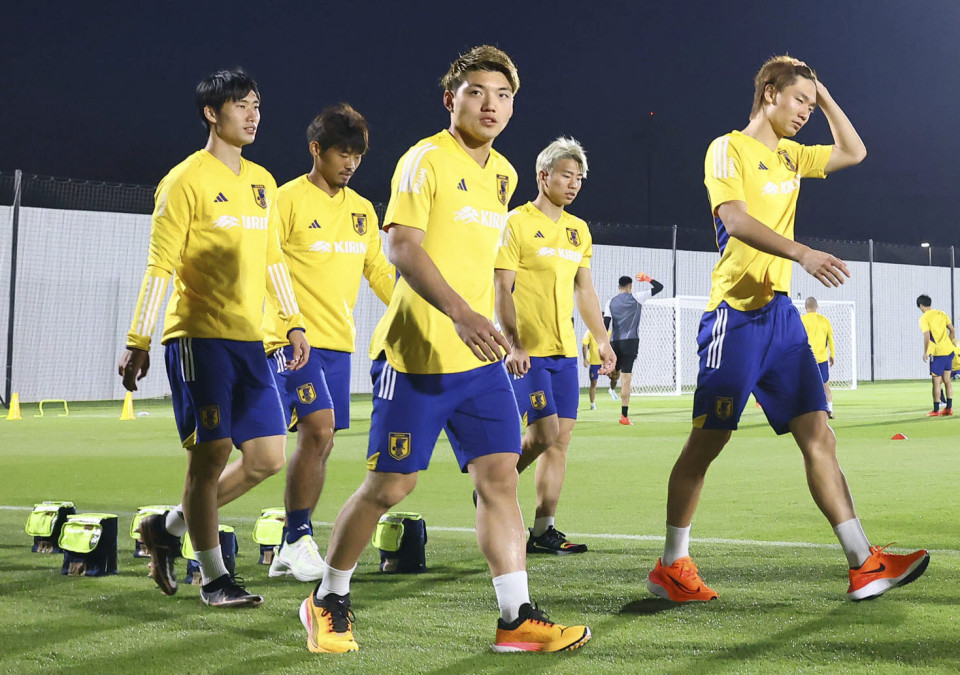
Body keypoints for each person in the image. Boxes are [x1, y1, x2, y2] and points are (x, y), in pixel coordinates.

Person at [298, 45, 591, 654]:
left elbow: (485, 264)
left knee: (500, 479)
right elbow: (402, 246)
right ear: (450, 99)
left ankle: (515, 618)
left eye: (503, 95)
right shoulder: (424, 161)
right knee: (390, 487)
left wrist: (501, 337)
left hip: (479, 362)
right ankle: (327, 597)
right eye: (477, 92)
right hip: (416, 358)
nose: (491, 105)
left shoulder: (505, 173)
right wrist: (460, 312)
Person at [646, 56, 929, 604]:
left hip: (781, 318)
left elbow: (854, 151)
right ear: (769, 92)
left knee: (819, 435)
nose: (805, 112)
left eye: (809, 104)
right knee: (708, 442)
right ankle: (671, 564)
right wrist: (801, 252)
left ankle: (863, 562)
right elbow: (735, 219)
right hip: (735, 314)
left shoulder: (790, 156)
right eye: (798, 100)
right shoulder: (728, 147)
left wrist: (824, 96)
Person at [118, 68, 310, 607]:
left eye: (257, 106)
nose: (253, 115)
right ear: (212, 112)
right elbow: (160, 265)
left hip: (252, 341)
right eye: (241, 105)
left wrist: (293, 321)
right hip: (199, 337)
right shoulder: (184, 181)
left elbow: (273, 260)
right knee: (210, 455)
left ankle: (168, 527)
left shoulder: (263, 182)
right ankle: (214, 576)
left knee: (268, 457)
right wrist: (139, 338)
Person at [264, 104, 395, 582]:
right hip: (289, 337)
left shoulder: (362, 211)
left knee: (321, 440)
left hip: (338, 343)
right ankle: (297, 537)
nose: (351, 163)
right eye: (343, 153)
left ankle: (288, 542)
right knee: (313, 431)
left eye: (357, 156)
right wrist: (290, 322)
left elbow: (378, 271)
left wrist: (417, 303)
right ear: (317, 149)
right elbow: (266, 267)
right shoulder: (285, 200)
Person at [494, 137, 615, 556]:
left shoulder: (579, 230)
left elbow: (585, 291)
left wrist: (601, 339)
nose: (574, 184)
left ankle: (544, 528)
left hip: (564, 352)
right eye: (566, 175)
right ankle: (495, 486)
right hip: (528, 351)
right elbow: (502, 288)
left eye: (579, 178)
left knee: (559, 440)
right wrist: (513, 343)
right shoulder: (516, 223)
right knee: (542, 433)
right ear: (543, 176)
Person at [604, 273, 664, 424]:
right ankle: (624, 416)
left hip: (614, 342)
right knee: (626, 379)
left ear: (619, 287)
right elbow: (659, 287)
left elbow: (605, 326)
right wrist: (648, 279)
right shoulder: (637, 297)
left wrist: (604, 347)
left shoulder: (610, 302)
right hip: (631, 341)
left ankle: (608, 370)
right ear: (631, 286)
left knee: (615, 372)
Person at [916, 294, 955, 416]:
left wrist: (926, 351)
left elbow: (927, 336)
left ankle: (936, 410)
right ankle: (948, 408)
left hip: (938, 353)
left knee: (936, 381)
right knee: (947, 380)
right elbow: (952, 330)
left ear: (921, 305)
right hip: (949, 351)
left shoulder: (924, 318)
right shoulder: (941, 313)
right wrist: (950, 342)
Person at [800, 297, 835, 419]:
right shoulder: (824, 320)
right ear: (817, 307)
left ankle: (807, 411)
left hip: (807, 359)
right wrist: (832, 355)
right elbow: (830, 339)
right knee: (825, 385)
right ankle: (830, 410)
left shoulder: (802, 320)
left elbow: (798, 339)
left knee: (805, 385)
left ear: (806, 307)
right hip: (822, 359)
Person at [582, 329, 603, 409]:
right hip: (595, 362)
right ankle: (592, 403)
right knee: (593, 382)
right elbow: (584, 345)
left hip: (605, 360)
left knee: (614, 375)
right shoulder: (589, 332)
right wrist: (585, 359)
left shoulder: (607, 331)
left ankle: (612, 390)